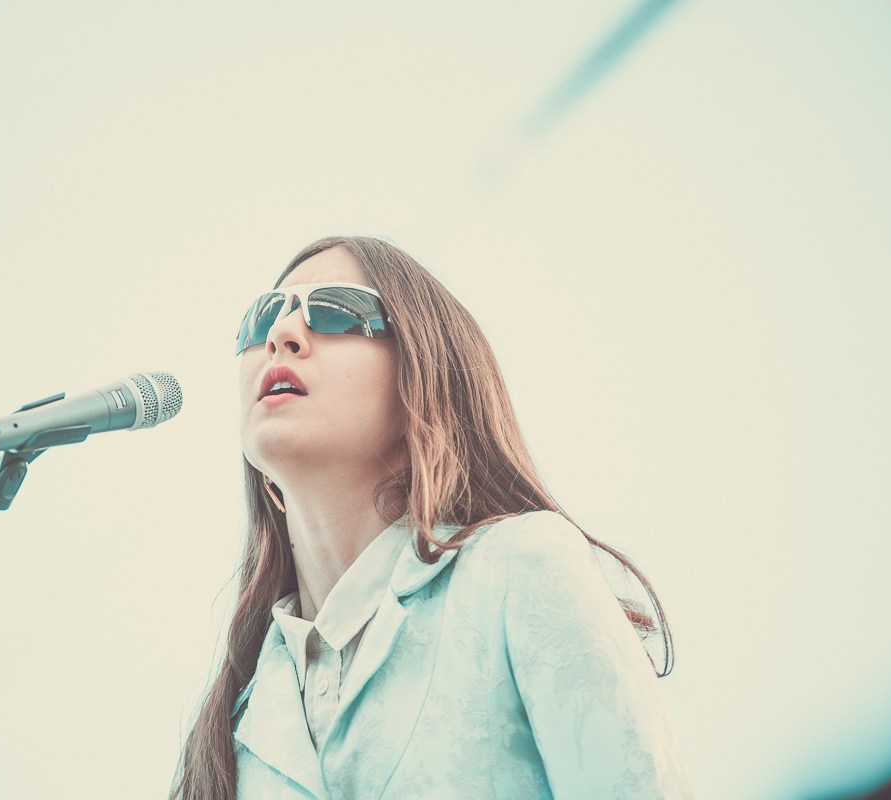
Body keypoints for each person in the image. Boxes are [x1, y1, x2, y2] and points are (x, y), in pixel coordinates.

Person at [171, 236, 692, 799]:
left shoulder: (520, 567)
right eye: (259, 321)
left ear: (425, 372)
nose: (280, 335)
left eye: (335, 310)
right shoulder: (233, 726)